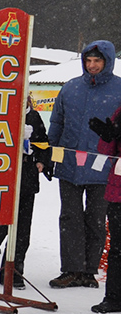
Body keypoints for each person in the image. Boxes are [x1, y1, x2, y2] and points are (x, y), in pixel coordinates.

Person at [47, 41, 121, 288]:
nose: (92, 65)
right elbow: (57, 122)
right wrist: (50, 153)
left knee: (96, 220)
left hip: (104, 168)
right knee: (70, 218)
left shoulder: (119, 89)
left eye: (97, 61)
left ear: (107, 61)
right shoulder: (70, 88)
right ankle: (71, 269)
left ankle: (89, 271)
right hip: (69, 164)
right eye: (88, 61)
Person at [0, 92, 50, 289]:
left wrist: (41, 161)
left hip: (27, 179)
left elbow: (44, 143)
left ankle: (13, 271)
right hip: (2, 176)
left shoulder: (34, 117)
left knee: (22, 231)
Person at [87, 106, 121, 311]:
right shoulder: (120, 113)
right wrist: (107, 136)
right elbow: (106, 152)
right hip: (118, 192)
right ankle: (114, 298)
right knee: (117, 248)